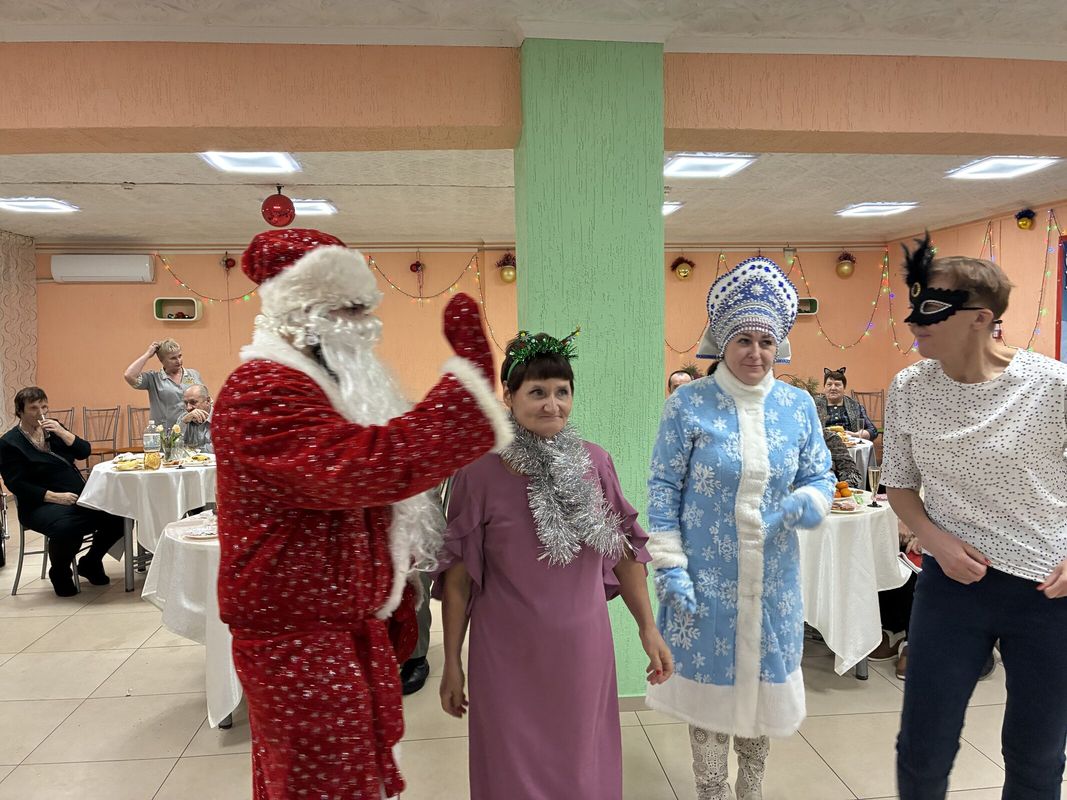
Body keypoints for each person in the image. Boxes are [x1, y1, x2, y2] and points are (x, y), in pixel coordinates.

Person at [212, 228, 512, 800]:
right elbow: (366, 465)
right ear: (302, 312)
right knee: (326, 785)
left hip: (333, 629)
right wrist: (466, 388)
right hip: (297, 640)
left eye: (362, 309)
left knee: (345, 778)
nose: (365, 326)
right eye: (347, 310)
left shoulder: (317, 388)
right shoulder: (261, 391)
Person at [434, 330, 673, 800]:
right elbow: (457, 579)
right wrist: (452, 663)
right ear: (509, 396)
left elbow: (624, 553)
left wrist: (648, 629)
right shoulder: (477, 473)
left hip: (582, 648)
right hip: (505, 653)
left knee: (582, 762)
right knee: (510, 768)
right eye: (537, 392)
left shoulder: (596, 463)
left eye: (562, 392)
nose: (552, 405)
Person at [883, 236, 1067, 800]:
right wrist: (935, 541)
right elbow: (899, 485)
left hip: (1047, 590)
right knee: (923, 746)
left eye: (932, 307)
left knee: (1037, 752)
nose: (914, 320)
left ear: (981, 318)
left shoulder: (1052, 387)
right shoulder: (910, 387)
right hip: (951, 587)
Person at [646, 257, 835, 800]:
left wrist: (803, 502)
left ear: (779, 346)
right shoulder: (688, 404)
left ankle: (752, 788)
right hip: (704, 581)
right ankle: (712, 792)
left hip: (774, 581)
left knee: (762, 697)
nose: (756, 352)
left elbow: (820, 474)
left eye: (766, 341)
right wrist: (670, 566)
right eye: (743, 340)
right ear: (722, 343)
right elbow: (663, 487)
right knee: (709, 699)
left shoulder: (797, 406)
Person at [0, 387, 124, 596]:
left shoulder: (54, 430)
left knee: (119, 515)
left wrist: (63, 432)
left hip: (77, 497)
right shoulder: (10, 443)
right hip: (40, 503)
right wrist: (53, 496)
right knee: (67, 526)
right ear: (20, 411)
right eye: (33, 408)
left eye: (44, 406)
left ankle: (91, 561)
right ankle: (60, 572)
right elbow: (16, 483)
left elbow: (84, 451)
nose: (41, 412)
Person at [124, 338, 203, 429]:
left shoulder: (193, 374)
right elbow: (129, 375)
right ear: (162, 360)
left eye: (180, 356)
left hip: (191, 431)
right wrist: (148, 354)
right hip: (166, 433)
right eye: (173, 358)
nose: (178, 361)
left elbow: (204, 399)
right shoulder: (153, 378)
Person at [813, 368, 878, 441]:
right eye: (829, 384)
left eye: (837, 385)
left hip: (850, 444)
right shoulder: (814, 405)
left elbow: (873, 431)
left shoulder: (855, 406)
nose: (833, 388)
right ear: (824, 388)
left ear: (844, 388)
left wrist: (855, 435)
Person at [179, 384, 213, 454]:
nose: (188, 408)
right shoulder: (183, 418)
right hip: (187, 461)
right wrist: (183, 423)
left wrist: (191, 450)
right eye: (186, 403)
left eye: (193, 402)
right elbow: (171, 447)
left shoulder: (221, 420)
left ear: (208, 401)